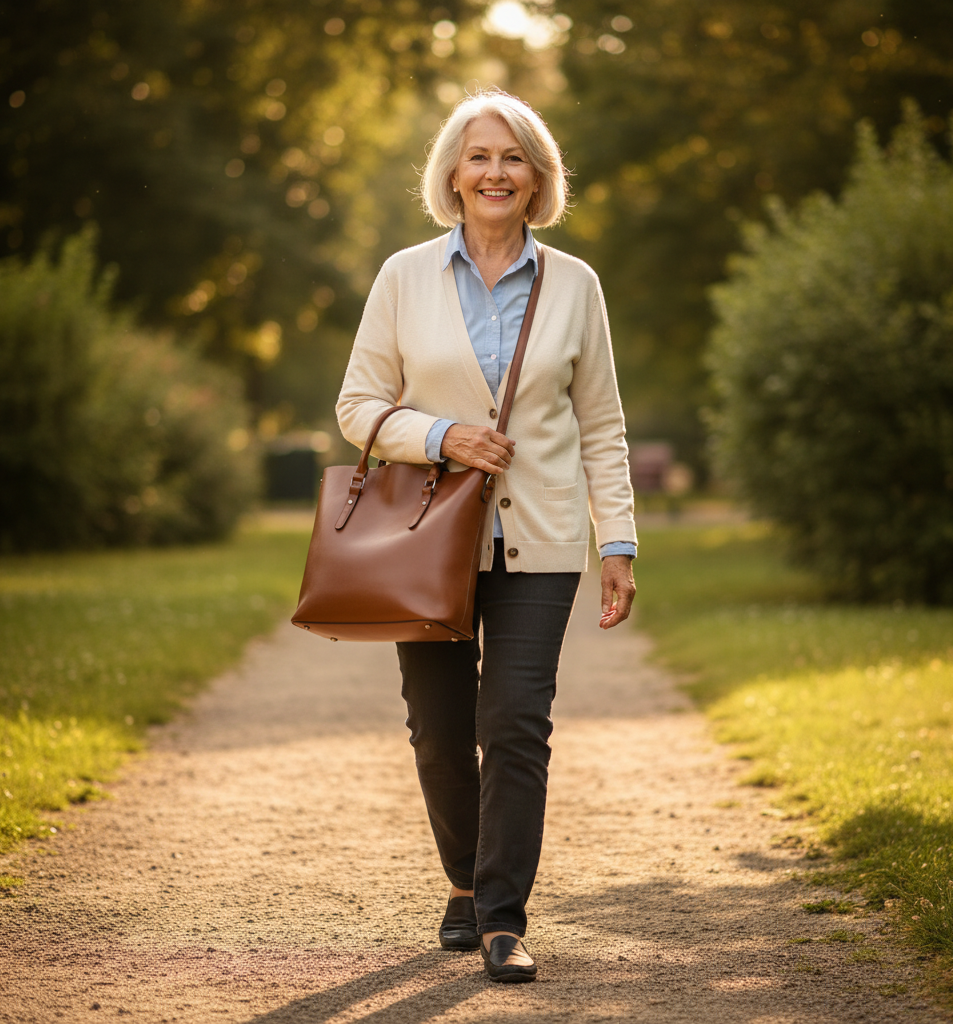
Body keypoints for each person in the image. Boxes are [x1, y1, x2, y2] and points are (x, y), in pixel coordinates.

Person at [336, 88, 637, 982]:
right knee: (438, 728)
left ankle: (503, 917)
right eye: (480, 157)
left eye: (513, 158)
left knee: (514, 722)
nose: (496, 172)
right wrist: (439, 436)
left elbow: (603, 427)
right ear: (453, 176)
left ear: (537, 178)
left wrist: (616, 543)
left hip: (540, 537)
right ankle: (465, 881)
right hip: (425, 540)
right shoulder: (403, 276)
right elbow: (356, 406)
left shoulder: (576, 285)